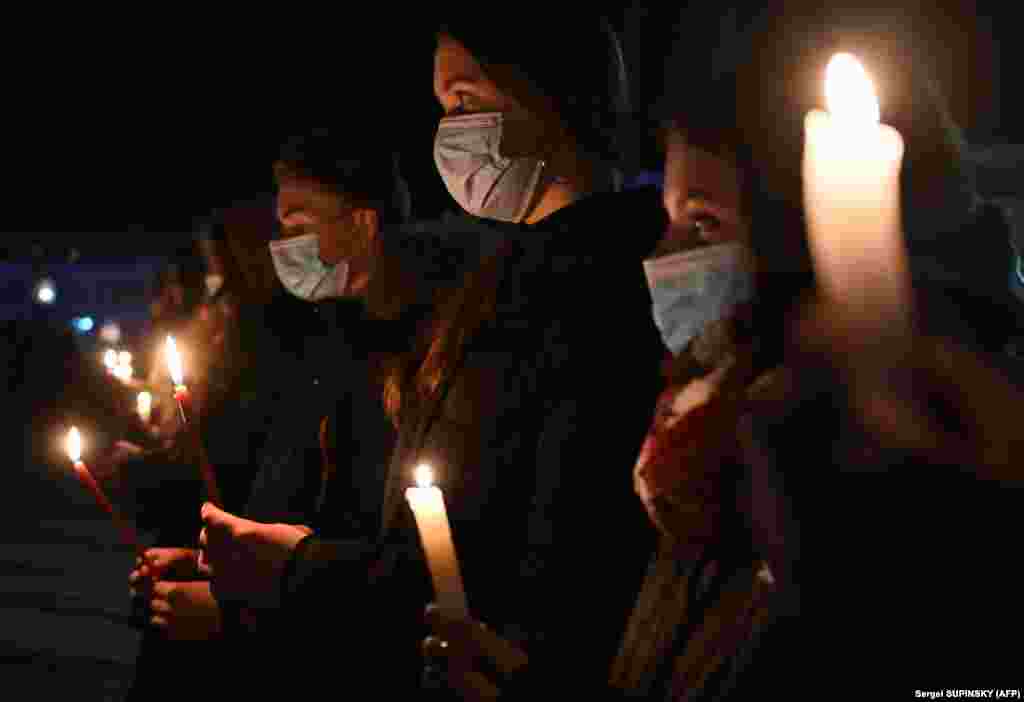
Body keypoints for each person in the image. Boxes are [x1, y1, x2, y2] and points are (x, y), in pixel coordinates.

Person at [200, 14, 666, 698]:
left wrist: (298, 571)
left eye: (466, 101)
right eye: (445, 107)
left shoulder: (587, 290)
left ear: (549, 95)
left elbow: (522, 558)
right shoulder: (505, 277)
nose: (450, 130)